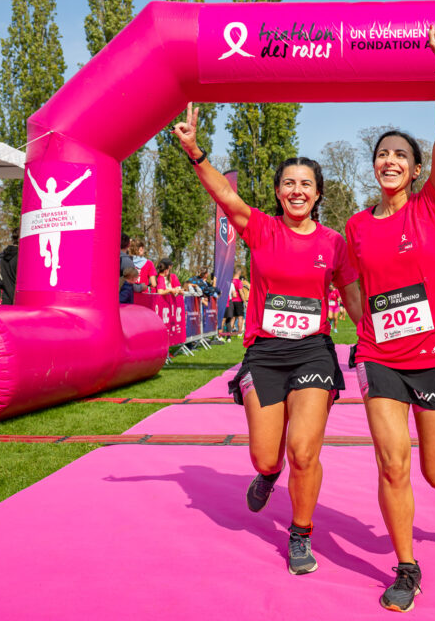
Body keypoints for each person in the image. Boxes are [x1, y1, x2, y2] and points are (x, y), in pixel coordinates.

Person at [174, 103, 362, 577]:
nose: (297, 191)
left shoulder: (334, 243)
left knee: (303, 450)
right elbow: (225, 196)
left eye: (306, 184)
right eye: (289, 183)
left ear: (318, 193)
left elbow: (356, 299)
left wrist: (375, 336)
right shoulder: (262, 228)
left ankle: (300, 534)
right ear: (278, 192)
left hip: (313, 352)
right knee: (266, 454)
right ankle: (268, 475)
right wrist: (196, 152)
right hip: (265, 352)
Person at [343, 28, 435, 613]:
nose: (389, 160)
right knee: (391, 461)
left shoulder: (432, 208)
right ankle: (406, 567)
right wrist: (364, 335)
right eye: (382, 154)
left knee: (431, 467)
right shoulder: (355, 225)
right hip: (381, 358)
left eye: (401, 154)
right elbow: (353, 290)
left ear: (418, 168)